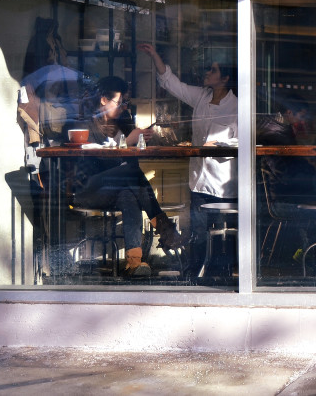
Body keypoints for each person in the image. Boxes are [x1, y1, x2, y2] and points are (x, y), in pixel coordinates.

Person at [138, 43, 237, 278]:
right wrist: (154, 55)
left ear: (225, 77)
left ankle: (221, 275)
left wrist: (219, 145)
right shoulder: (202, 97)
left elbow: (244, 142)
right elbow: (173, 84)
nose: (206, 73)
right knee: (198, 232)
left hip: (223, 183)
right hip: (198, 180)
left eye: (212, 70)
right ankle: (194, 276)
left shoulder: (237, 107)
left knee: (223, 234)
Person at [70, 76, 185, 277]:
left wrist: (142, 139)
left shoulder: (124, 123)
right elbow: (89, 158)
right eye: (119, 102)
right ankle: (165, 228)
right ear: (104, 100)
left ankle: (134, 262)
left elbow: (133, 162)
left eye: (125, 102)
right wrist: (124, 143)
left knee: (129, 195)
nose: (123, 107)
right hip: (88, 188)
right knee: (129, 174)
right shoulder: (86, 125)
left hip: (114, 190)